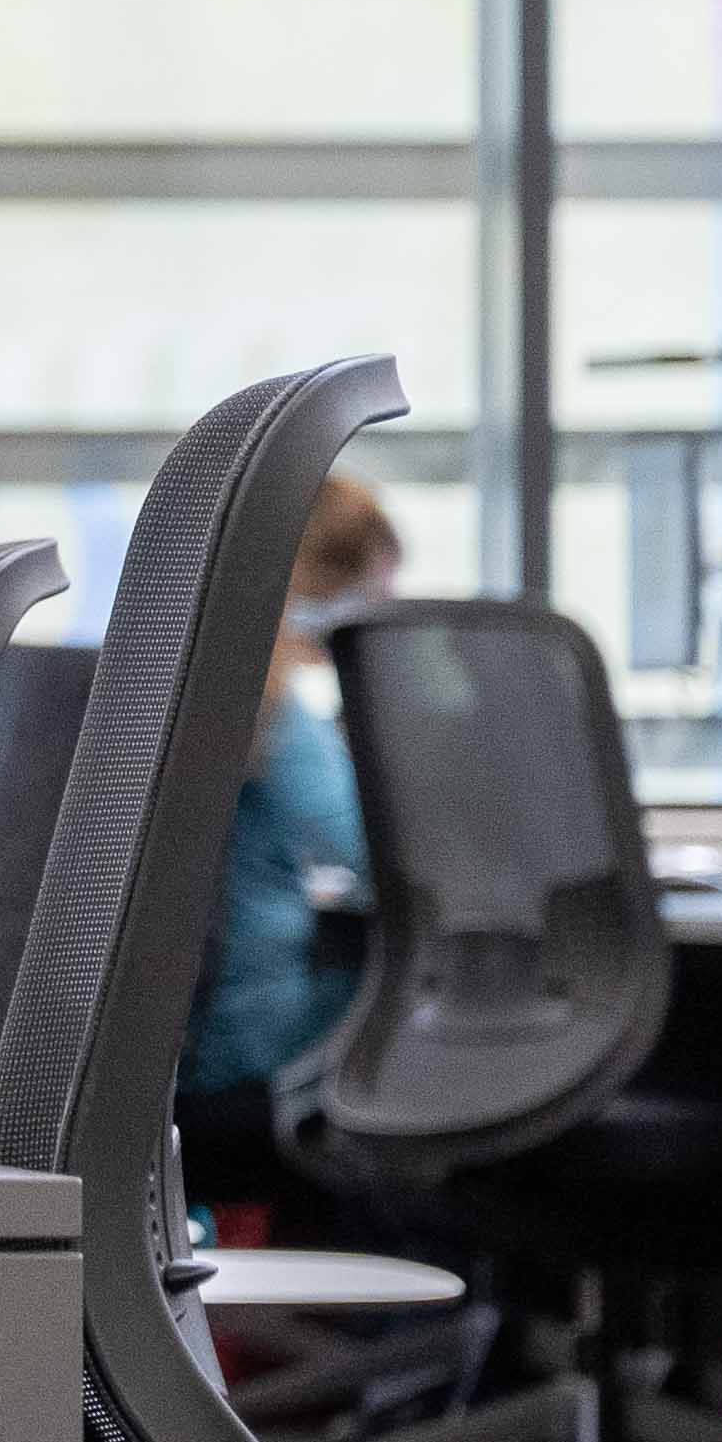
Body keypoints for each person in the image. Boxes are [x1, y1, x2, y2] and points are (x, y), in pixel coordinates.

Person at [182, 469, 405, 1188]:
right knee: (445, 1018)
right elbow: (385, 860)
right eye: (376, 591)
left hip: (181, 1033)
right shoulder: (277, 715)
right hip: (252, 1035)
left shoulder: (196, 684)